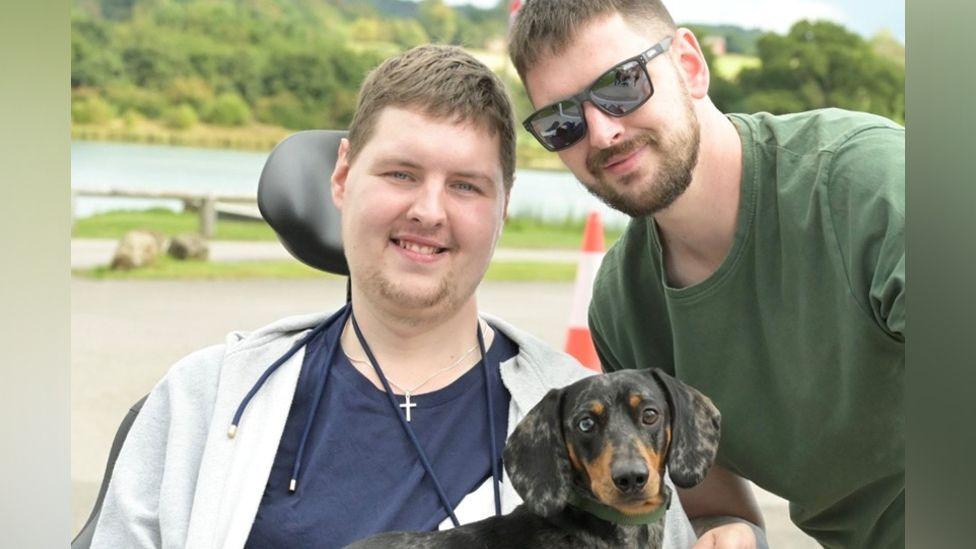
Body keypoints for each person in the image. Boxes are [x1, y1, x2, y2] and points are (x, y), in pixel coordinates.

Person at [90, 45, 700, 548]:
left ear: (504, 208)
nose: (427, 211)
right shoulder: (203, 400)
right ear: (342, 177)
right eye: (401, 173)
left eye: (465, 186)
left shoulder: (576, 411)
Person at [509, 1, 904, 548]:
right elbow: (712, 498)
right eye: (562, 120)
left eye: (621, 84)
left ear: (690, 65)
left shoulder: (869, 185)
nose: (600, 133)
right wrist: (730, 531)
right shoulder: (623, 305)